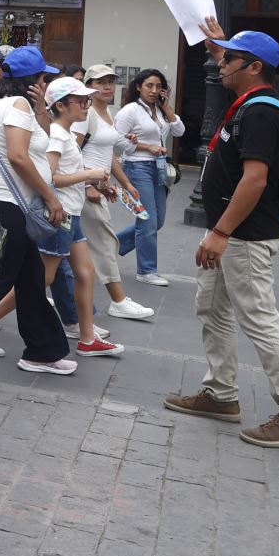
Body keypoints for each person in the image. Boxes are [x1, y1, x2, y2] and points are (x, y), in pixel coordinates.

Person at [164, 23, 279, 448]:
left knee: (259, 319)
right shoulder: (254, 99)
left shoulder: (261, 112)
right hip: (232, 235)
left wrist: (218, 232)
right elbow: (227, 60)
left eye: (229, 59)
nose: (219, 65)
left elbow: (254, 181)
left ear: (254, 68)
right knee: (212, 309)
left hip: (244, 237)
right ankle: (220, 394)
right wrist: (220, 41)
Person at [0, 46, 74, 374]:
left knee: (31, 281)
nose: (45, 82)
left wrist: (41, 107)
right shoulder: (16, 105)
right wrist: (52, 198)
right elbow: (18, 156)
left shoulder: (2, 103)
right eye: (43, 77)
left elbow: (41, 137)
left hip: (7, 205)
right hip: (9, 208)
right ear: (32, 79)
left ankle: (43, 351)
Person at [44, 77, 124, 357]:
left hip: (71, 214)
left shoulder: (64, 134)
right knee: (41, 278)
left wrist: (96, 182)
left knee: (85, 273)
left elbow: (66, 173)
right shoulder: (56, 134)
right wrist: (90, 175)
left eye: (87, 101)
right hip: (61, 214)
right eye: (81, 101)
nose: (86, 106)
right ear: (61, 105)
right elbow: (51, 177)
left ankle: (87, 338)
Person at [75, 66, 155, 322]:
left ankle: (52, 292)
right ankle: (118, 300)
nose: (108, 87)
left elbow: (108, 153)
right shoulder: (84, 115)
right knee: (106, 243)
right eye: (101, 82)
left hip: (100, 186)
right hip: (85, 189)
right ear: (89, 85)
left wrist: (126, 183)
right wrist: (90, 185)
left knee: (70, 249)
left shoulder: (107, 113)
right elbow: (72, 153)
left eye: (111, 82)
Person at [116, 68, 184, 285]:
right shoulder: (130, 111)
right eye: (149, 86)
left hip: (159, 169)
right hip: (138, 168)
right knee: (147, 219)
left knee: (158, 220)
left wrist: (167, 107)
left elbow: (179, 131)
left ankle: (110, 245)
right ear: (138, 86)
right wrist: (148, 147)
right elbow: (118, 141)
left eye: (158, 87)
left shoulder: (161, 110)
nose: (154, 91)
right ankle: (146, 271)